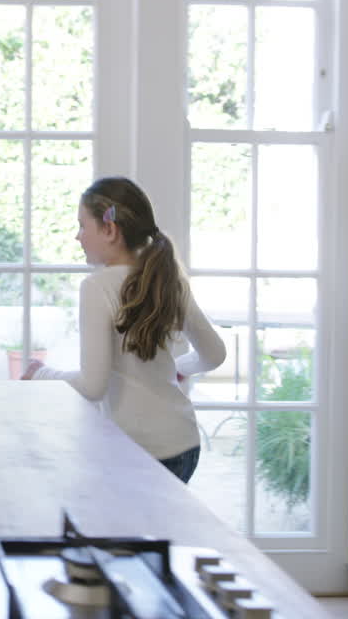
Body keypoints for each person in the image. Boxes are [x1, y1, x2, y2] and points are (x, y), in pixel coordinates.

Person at [21, 176, 225, 483]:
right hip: (184, 444)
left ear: (110, 230)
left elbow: (93, 386)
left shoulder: (97, 287)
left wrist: (40, 373)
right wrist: (178, 368)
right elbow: (215, 354)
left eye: (82, 226)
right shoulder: (168, 279)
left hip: (139, 452)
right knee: (158, 530)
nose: (78, 237)